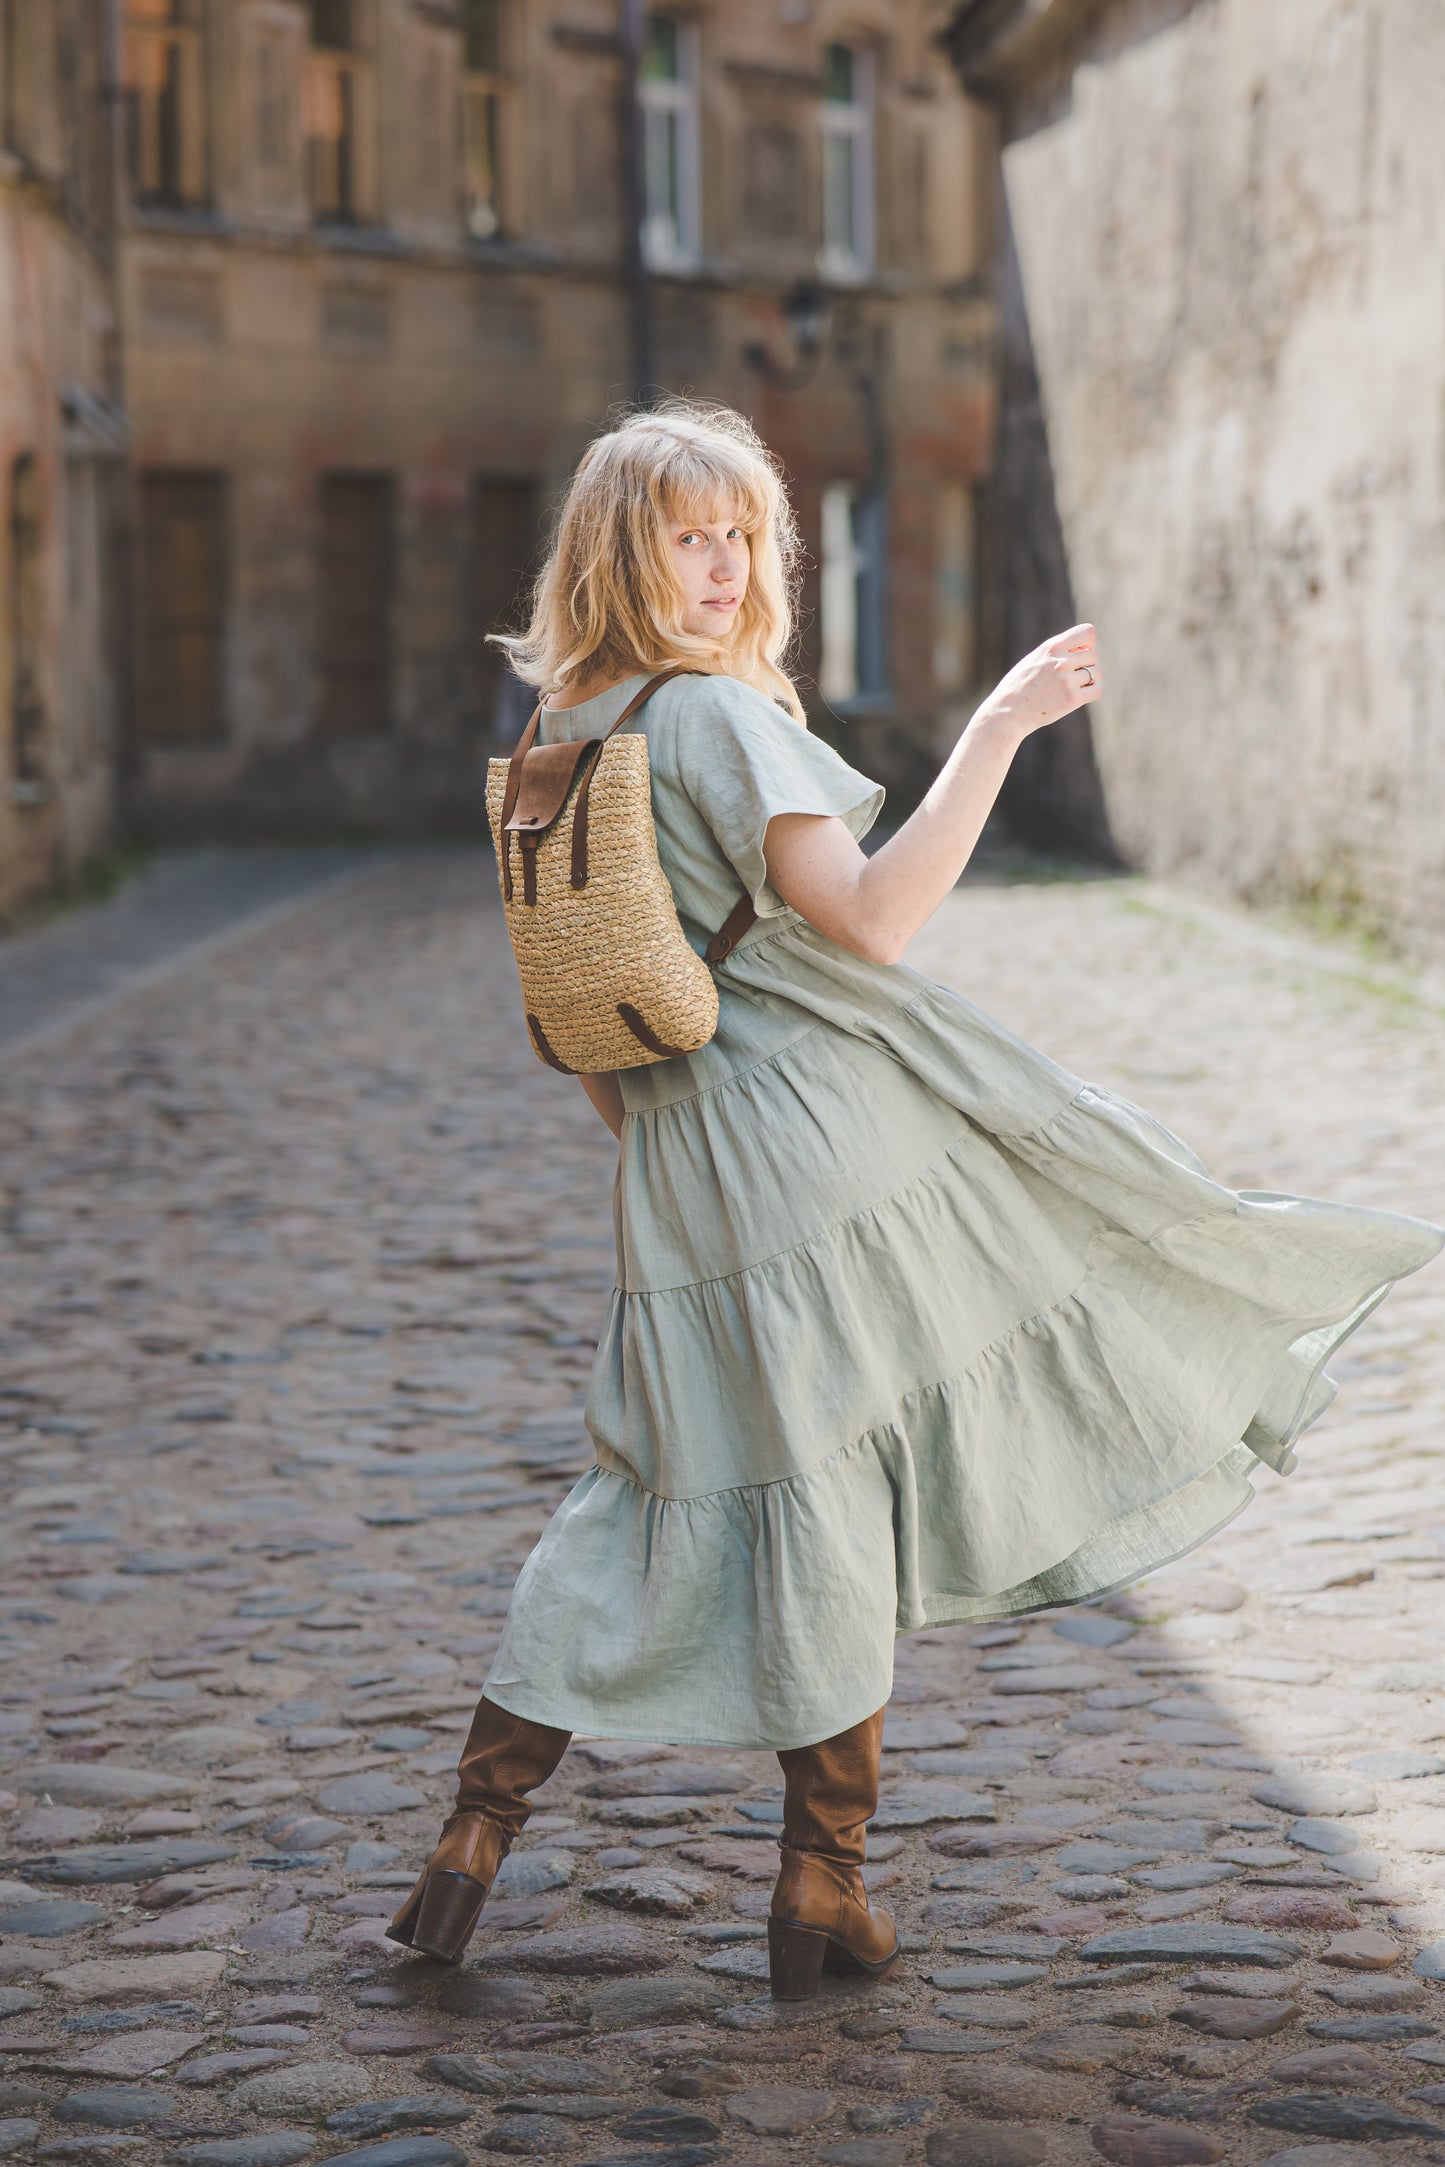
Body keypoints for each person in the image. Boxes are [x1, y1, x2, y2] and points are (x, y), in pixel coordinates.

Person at [388, 402, 1443, 1998]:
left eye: (744, 535)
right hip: (822, 1148)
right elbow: (874, 921)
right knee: (861, 1465)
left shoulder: (560, 746)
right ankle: (820, 1885)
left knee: (650, 1488)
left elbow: (587, 1045)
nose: (727, 566)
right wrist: (1004, 723)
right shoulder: (716, 723)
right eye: (690, 533)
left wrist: (688, 1138)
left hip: (675, 1171)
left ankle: (475, 1836)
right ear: (623, 549)